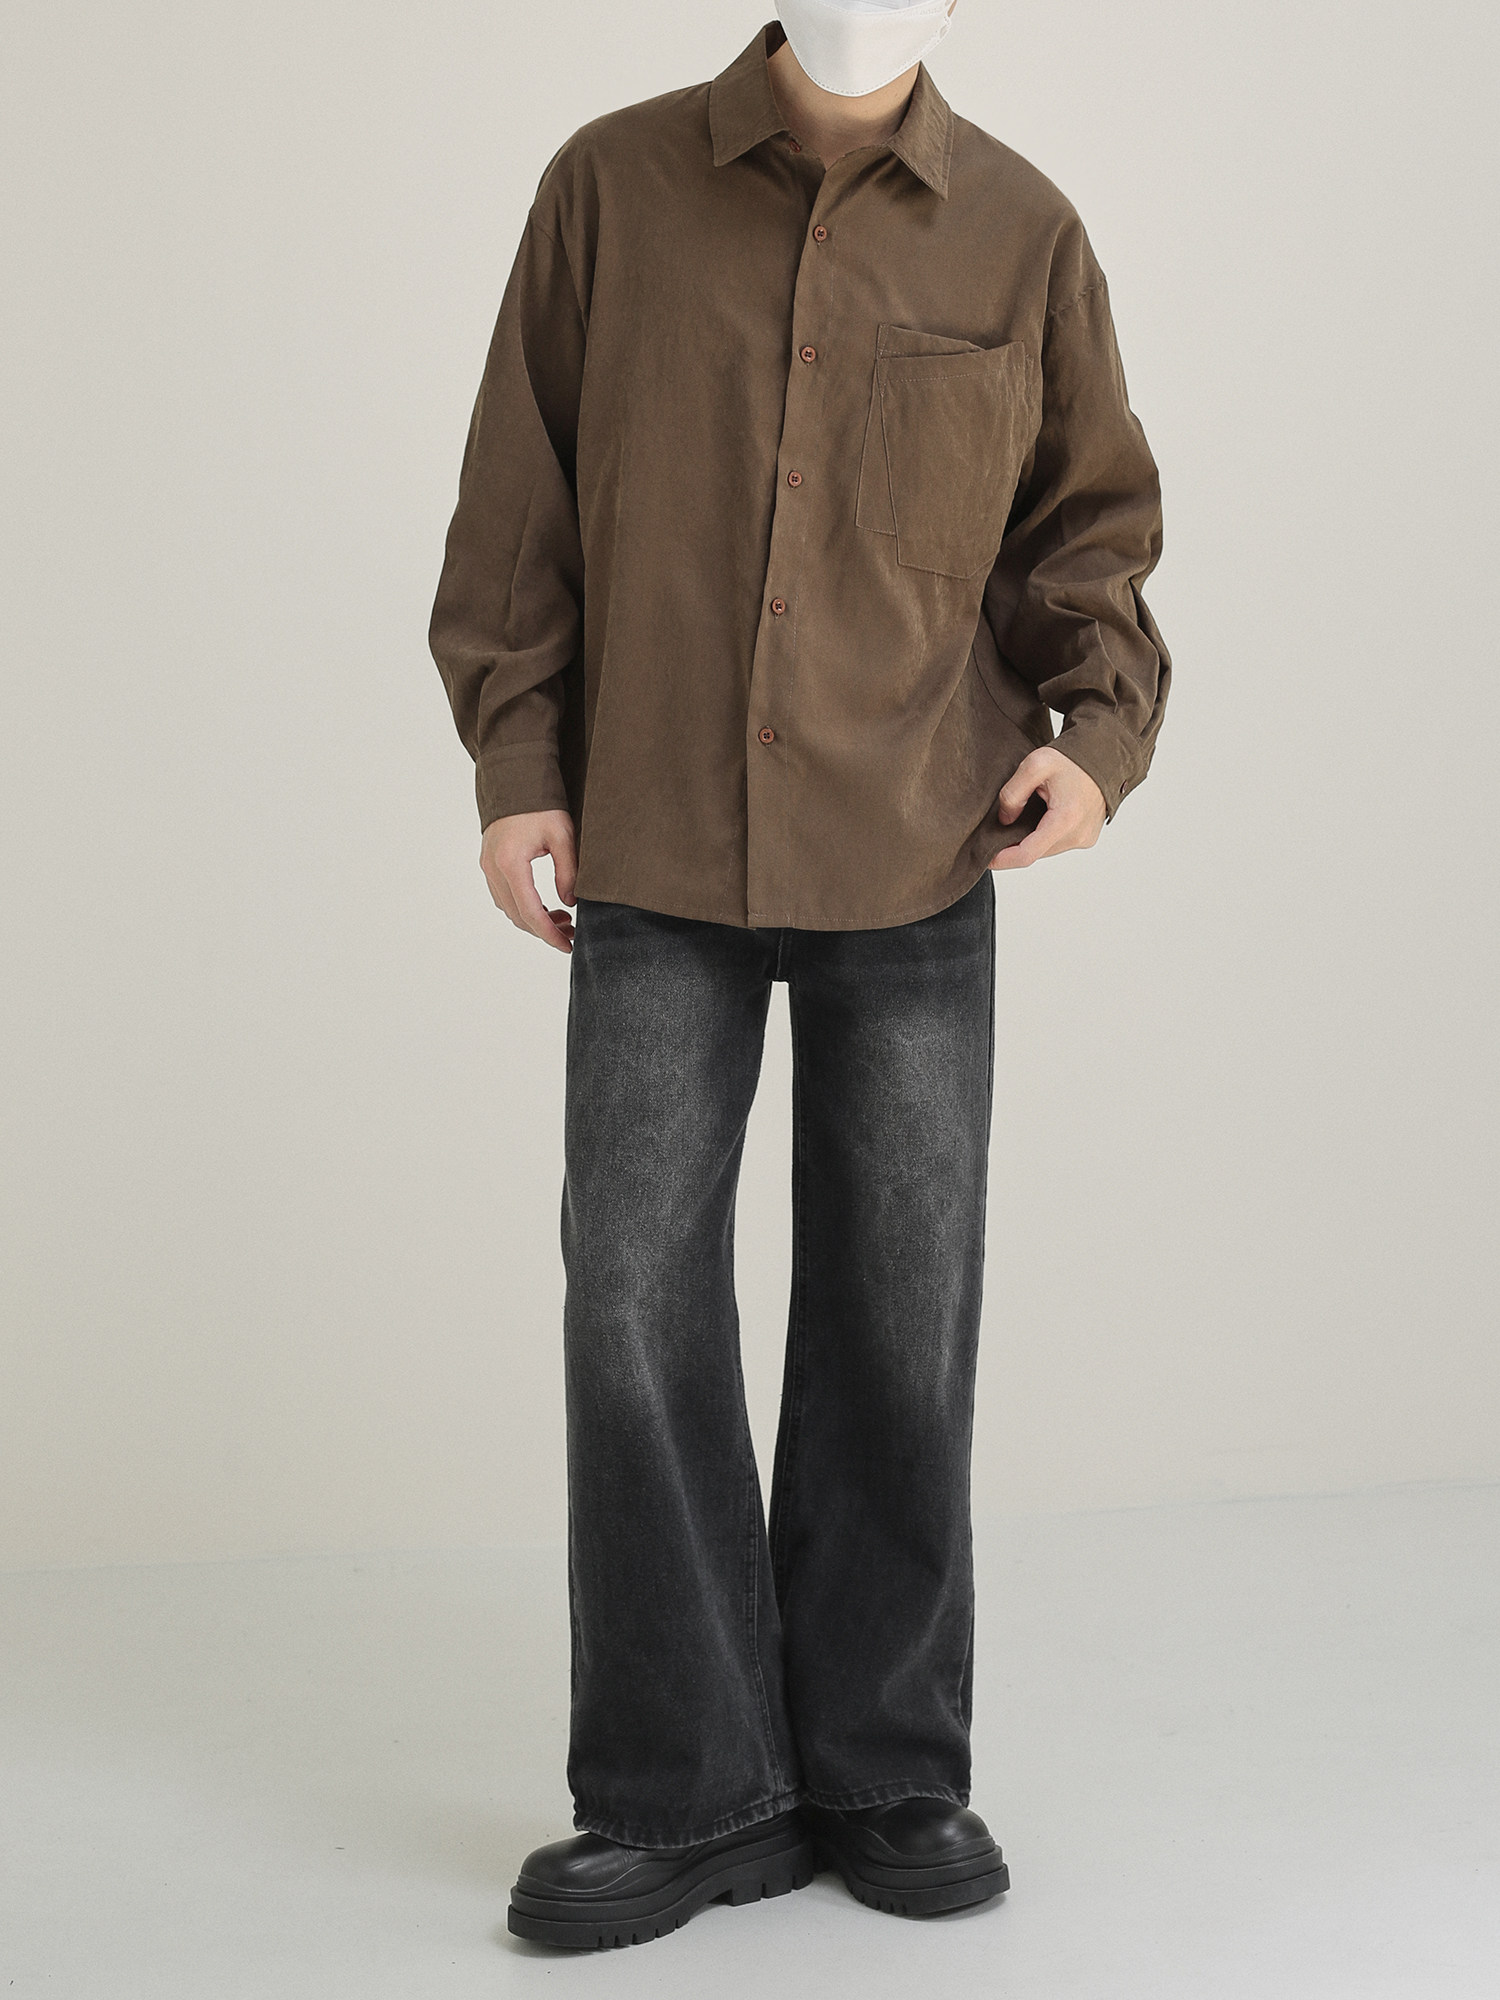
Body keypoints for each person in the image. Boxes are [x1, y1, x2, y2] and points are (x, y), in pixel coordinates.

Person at [428, 0, 1170, 1952]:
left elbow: (1088, 529)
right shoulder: (608, 190)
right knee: (631, 1293)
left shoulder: (1021, 229)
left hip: (919, 841)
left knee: (897, 1307)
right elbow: (517, 501)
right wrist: (516, 765)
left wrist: (1096, 739)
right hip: (654, 835)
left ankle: (881, 1765)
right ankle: (687, 1791)